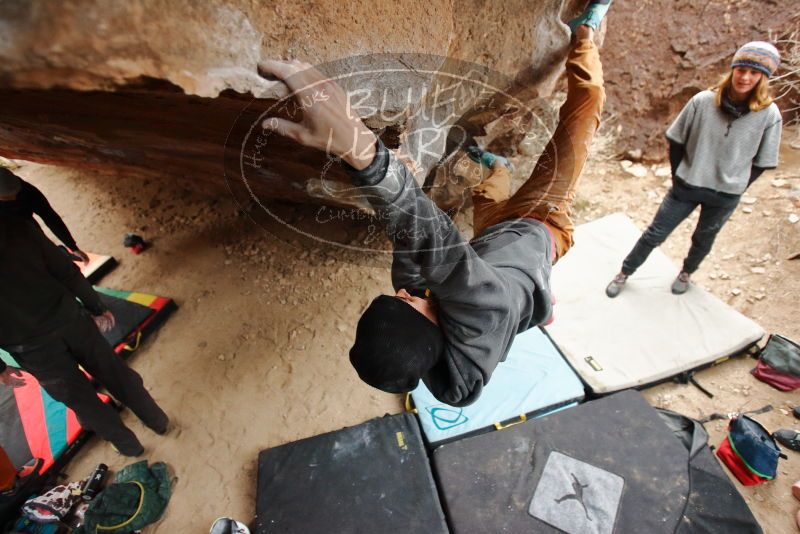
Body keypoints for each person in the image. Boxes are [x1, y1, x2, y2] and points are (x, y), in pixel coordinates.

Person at [258, 0, 611, 406]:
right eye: (406, 303)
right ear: (432, 331)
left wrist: (395, 180)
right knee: (584, 112)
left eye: (397, 296)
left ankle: (497, 176)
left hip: (492, 239)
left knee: (492, 183)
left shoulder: (425, 314)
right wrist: (360, 149)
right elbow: (435, 240)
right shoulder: (484, 314)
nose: (404, 292)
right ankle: (586, 34)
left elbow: (410, 237)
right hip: (540, 224)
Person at [605, 41, 782, 297]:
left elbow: (763, 162)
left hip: (725, 195)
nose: (745, 77)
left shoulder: (769, 115)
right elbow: (676, 140)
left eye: (754, 73)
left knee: (703, 240)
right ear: (732, 69)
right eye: (741, 69)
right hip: (687, 185)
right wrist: (678, 175)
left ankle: (686, 272)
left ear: (762, 78)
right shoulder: (703, 101)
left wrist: (739, 184)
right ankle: (625, 272)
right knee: (655, 233)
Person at [0, 216, 168, 456]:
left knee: (82, 400)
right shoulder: (15, 224)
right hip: (71, 320)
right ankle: (158, 421)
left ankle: (129, 447)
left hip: (33, 348)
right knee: (116, 373)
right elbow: (65, 270)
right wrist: (95, 306)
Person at [0, 167, 90, 264]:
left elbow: (50, 217)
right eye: (7, 197)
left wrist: (73, 247)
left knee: (39, 244)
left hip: (26, 221)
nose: (14, 198)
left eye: (16, 193)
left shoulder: (27, 191)